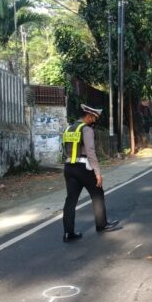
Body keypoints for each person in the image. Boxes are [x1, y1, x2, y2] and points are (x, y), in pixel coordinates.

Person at [61, 104, 119, 242]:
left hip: (69, 167)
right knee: (97, 193)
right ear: (88, 115)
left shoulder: (68, 128)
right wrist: (98, 173)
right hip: (84, 167)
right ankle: (102, 225)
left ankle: (68, 233)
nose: (94, 121)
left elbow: (64, 149)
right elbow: (91, 152)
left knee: (71, 200)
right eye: (94, 118)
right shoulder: (86, 130)